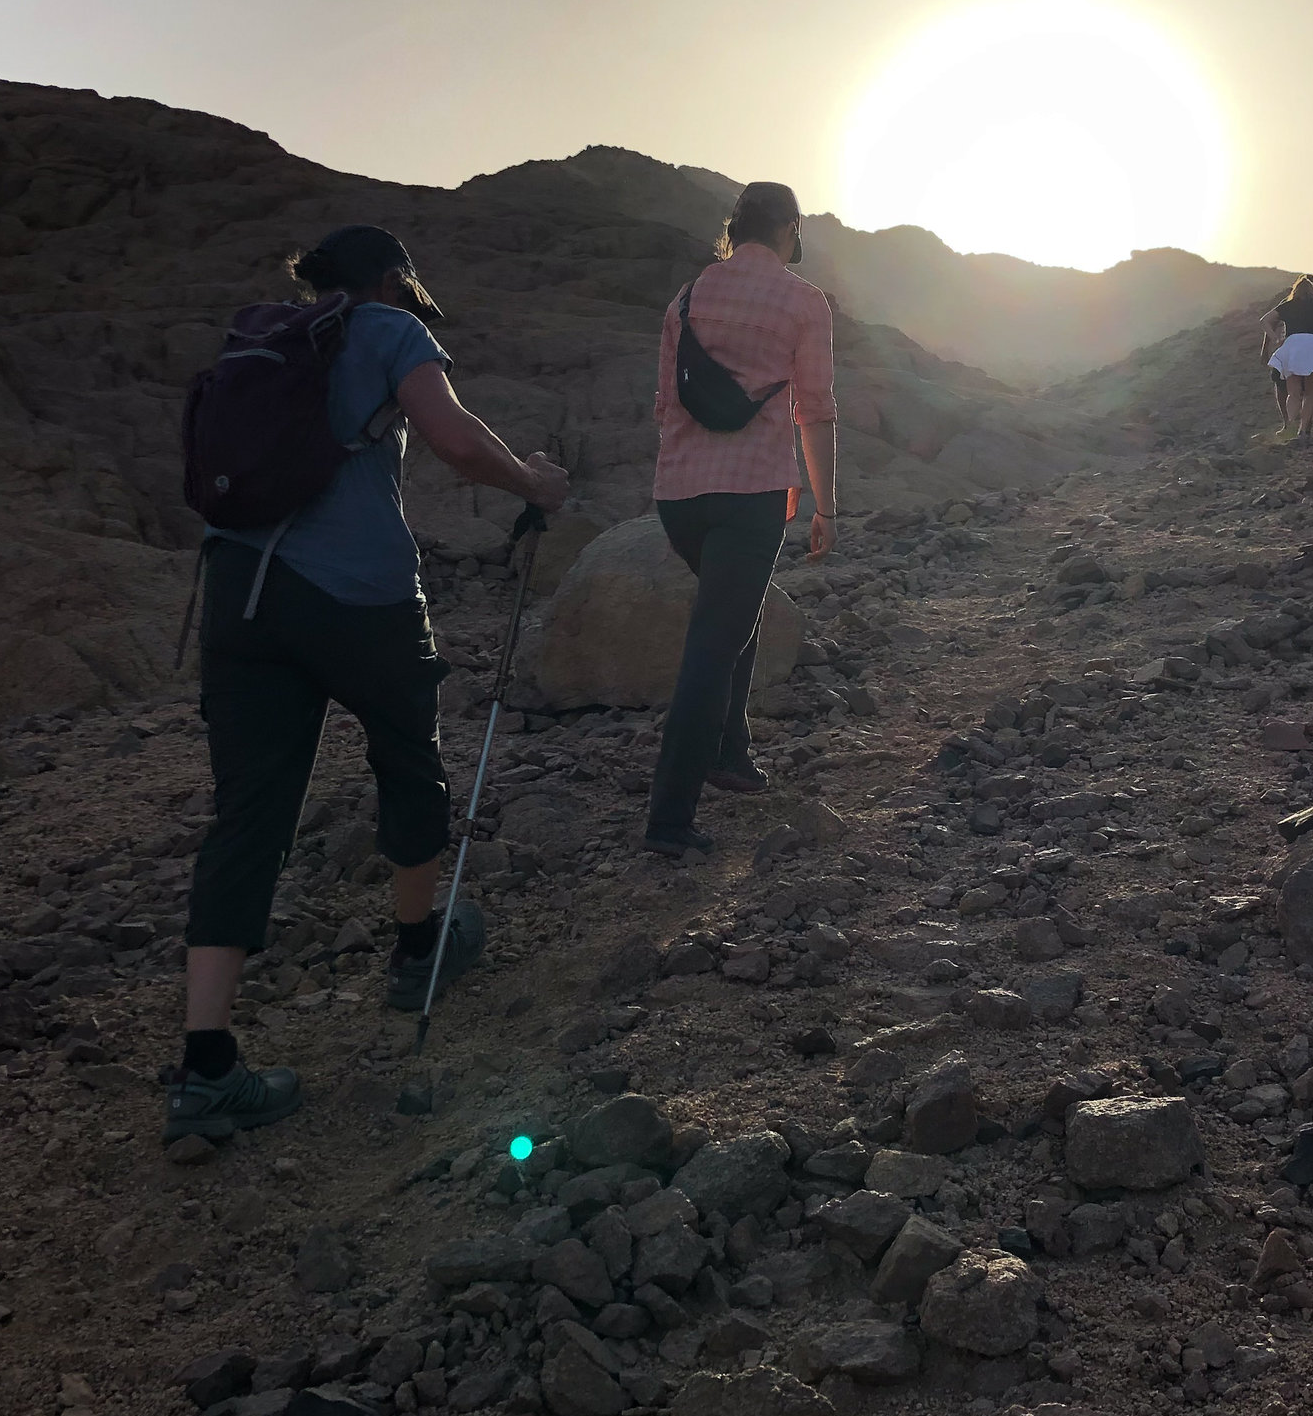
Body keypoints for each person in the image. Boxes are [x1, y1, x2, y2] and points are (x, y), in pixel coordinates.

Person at [163, 226, 570, 1145]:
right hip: (357, 594)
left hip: (239, 597)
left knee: (249, 815)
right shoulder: (388, 327)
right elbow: (455, 438)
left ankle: (205, 1065)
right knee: (406, 757)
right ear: (392, 279)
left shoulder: (268, 340)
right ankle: (418, 950)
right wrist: (533, 484)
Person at [641, 181, 839, 857]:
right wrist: (826, 504)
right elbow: (815, 408)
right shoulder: (803, 301)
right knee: (713, 644)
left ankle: (730, 752)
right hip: (752, 494)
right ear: (789, 230)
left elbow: (666, 404)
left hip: (680, 496)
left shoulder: (688, 297)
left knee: (733, 610)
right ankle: (669, 819)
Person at [1260, 274, 1313, 441]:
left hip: (1292, 349)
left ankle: (1289, 425)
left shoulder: (1288, 305)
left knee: (1290, 390)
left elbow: (1266, 321)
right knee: (1310, 393)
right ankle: (1304, 430)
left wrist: (1272, 343)